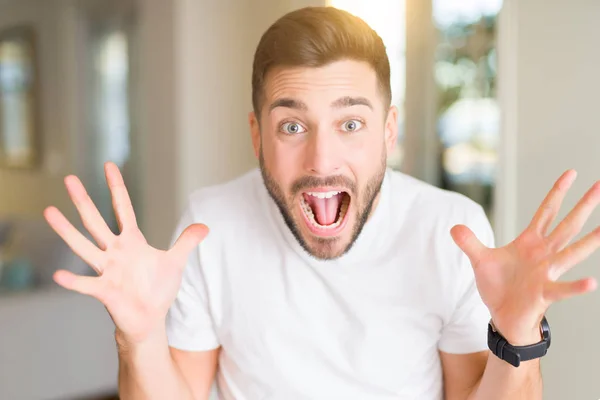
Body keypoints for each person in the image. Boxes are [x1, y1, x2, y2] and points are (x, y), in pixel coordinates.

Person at [44, 6, 600, 400]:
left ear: (388, 131)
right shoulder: (209, 227)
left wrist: (518, 336)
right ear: (257, 135)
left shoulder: (453, 230)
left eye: (351, 123)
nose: (321, 160)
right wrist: (139, 339)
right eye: (292, 126)